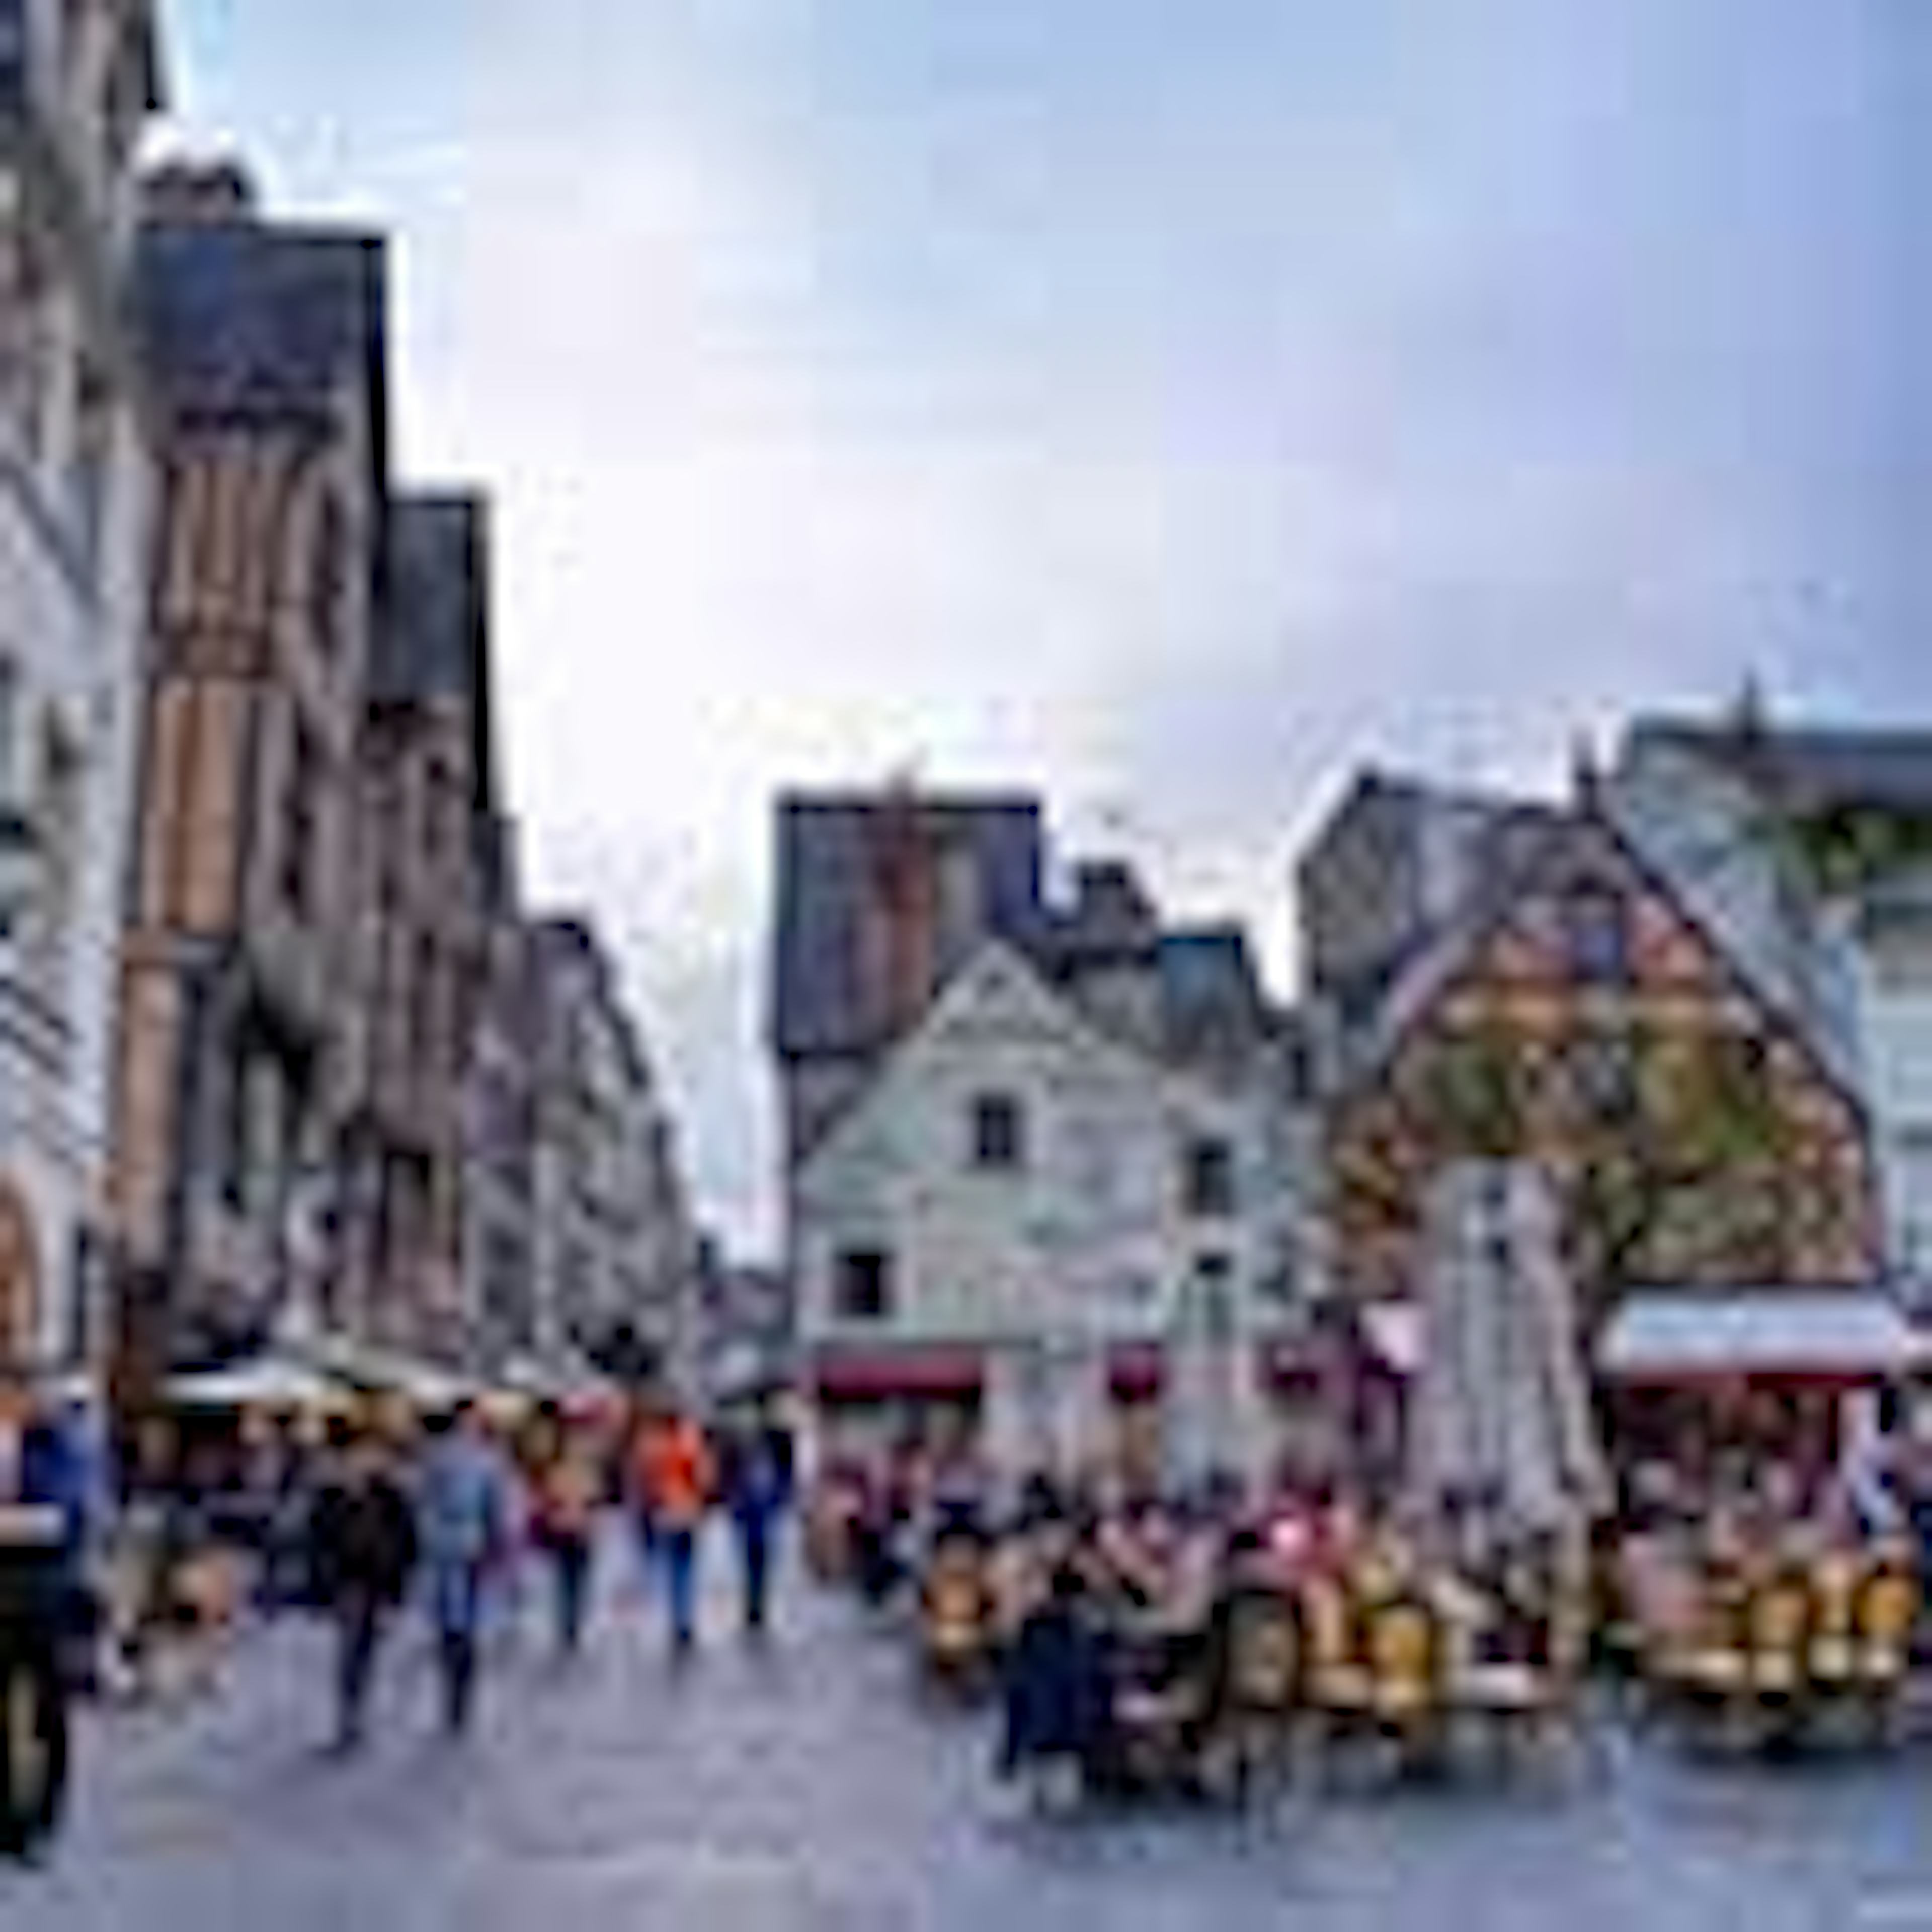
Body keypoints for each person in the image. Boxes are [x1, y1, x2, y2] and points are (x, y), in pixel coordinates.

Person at [308, 1427, 418, 1757]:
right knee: (349, 1650)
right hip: (347, 1582)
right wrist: (320, 1584)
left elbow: (408, 1543)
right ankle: (348, 1720)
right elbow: (317, 1540)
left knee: (367, 1652)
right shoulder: (330, 1495)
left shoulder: (392, 1495)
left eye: (371, 1455)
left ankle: (357, 1713)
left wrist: (399, 1589)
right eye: (358, 1455)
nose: (364, 1461)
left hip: (380, 1583)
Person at [416, 1403, 508, 1735]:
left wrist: (499, 1543)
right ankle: (454, 1692)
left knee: (466, 1625)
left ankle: (460, 1694)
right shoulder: (437, 1456)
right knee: (453, 1625)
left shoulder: (490, 1458)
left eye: (476, 1420)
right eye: (468, 1419)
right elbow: (423, 1502)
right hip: (448, 1551)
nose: (472, 1425)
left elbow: (497, 1505)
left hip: (473, 1550)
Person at [638, 1403, 714, 1656]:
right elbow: (705, 1477)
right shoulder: (691, 1442)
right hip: (688, 1510)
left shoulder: (652, 1445)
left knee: (673, 1567)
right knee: (687, 1565)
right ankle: (684, 1619)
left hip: (665, 1513)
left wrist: (651, 1504)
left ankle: (678, 1617)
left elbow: (645, 1480)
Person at [530, 1410, 602, 1659]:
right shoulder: (584, 1459)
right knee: (573, 1577)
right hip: (575, 1527)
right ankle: (570, 1622)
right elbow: (594, 1493)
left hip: (568, 1525)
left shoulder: (557, 1459)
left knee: (568, 1578)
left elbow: (548, 1493)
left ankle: (569, 1622)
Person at [720, 1410, 792, 1639]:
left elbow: (785, 1475)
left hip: (756, 1510)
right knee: (756, 1558)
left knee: (756, 1559)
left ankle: (755, 1605)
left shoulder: (774, 1443)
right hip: (753, 1510)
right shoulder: (742, 1448)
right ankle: (755, 1605)